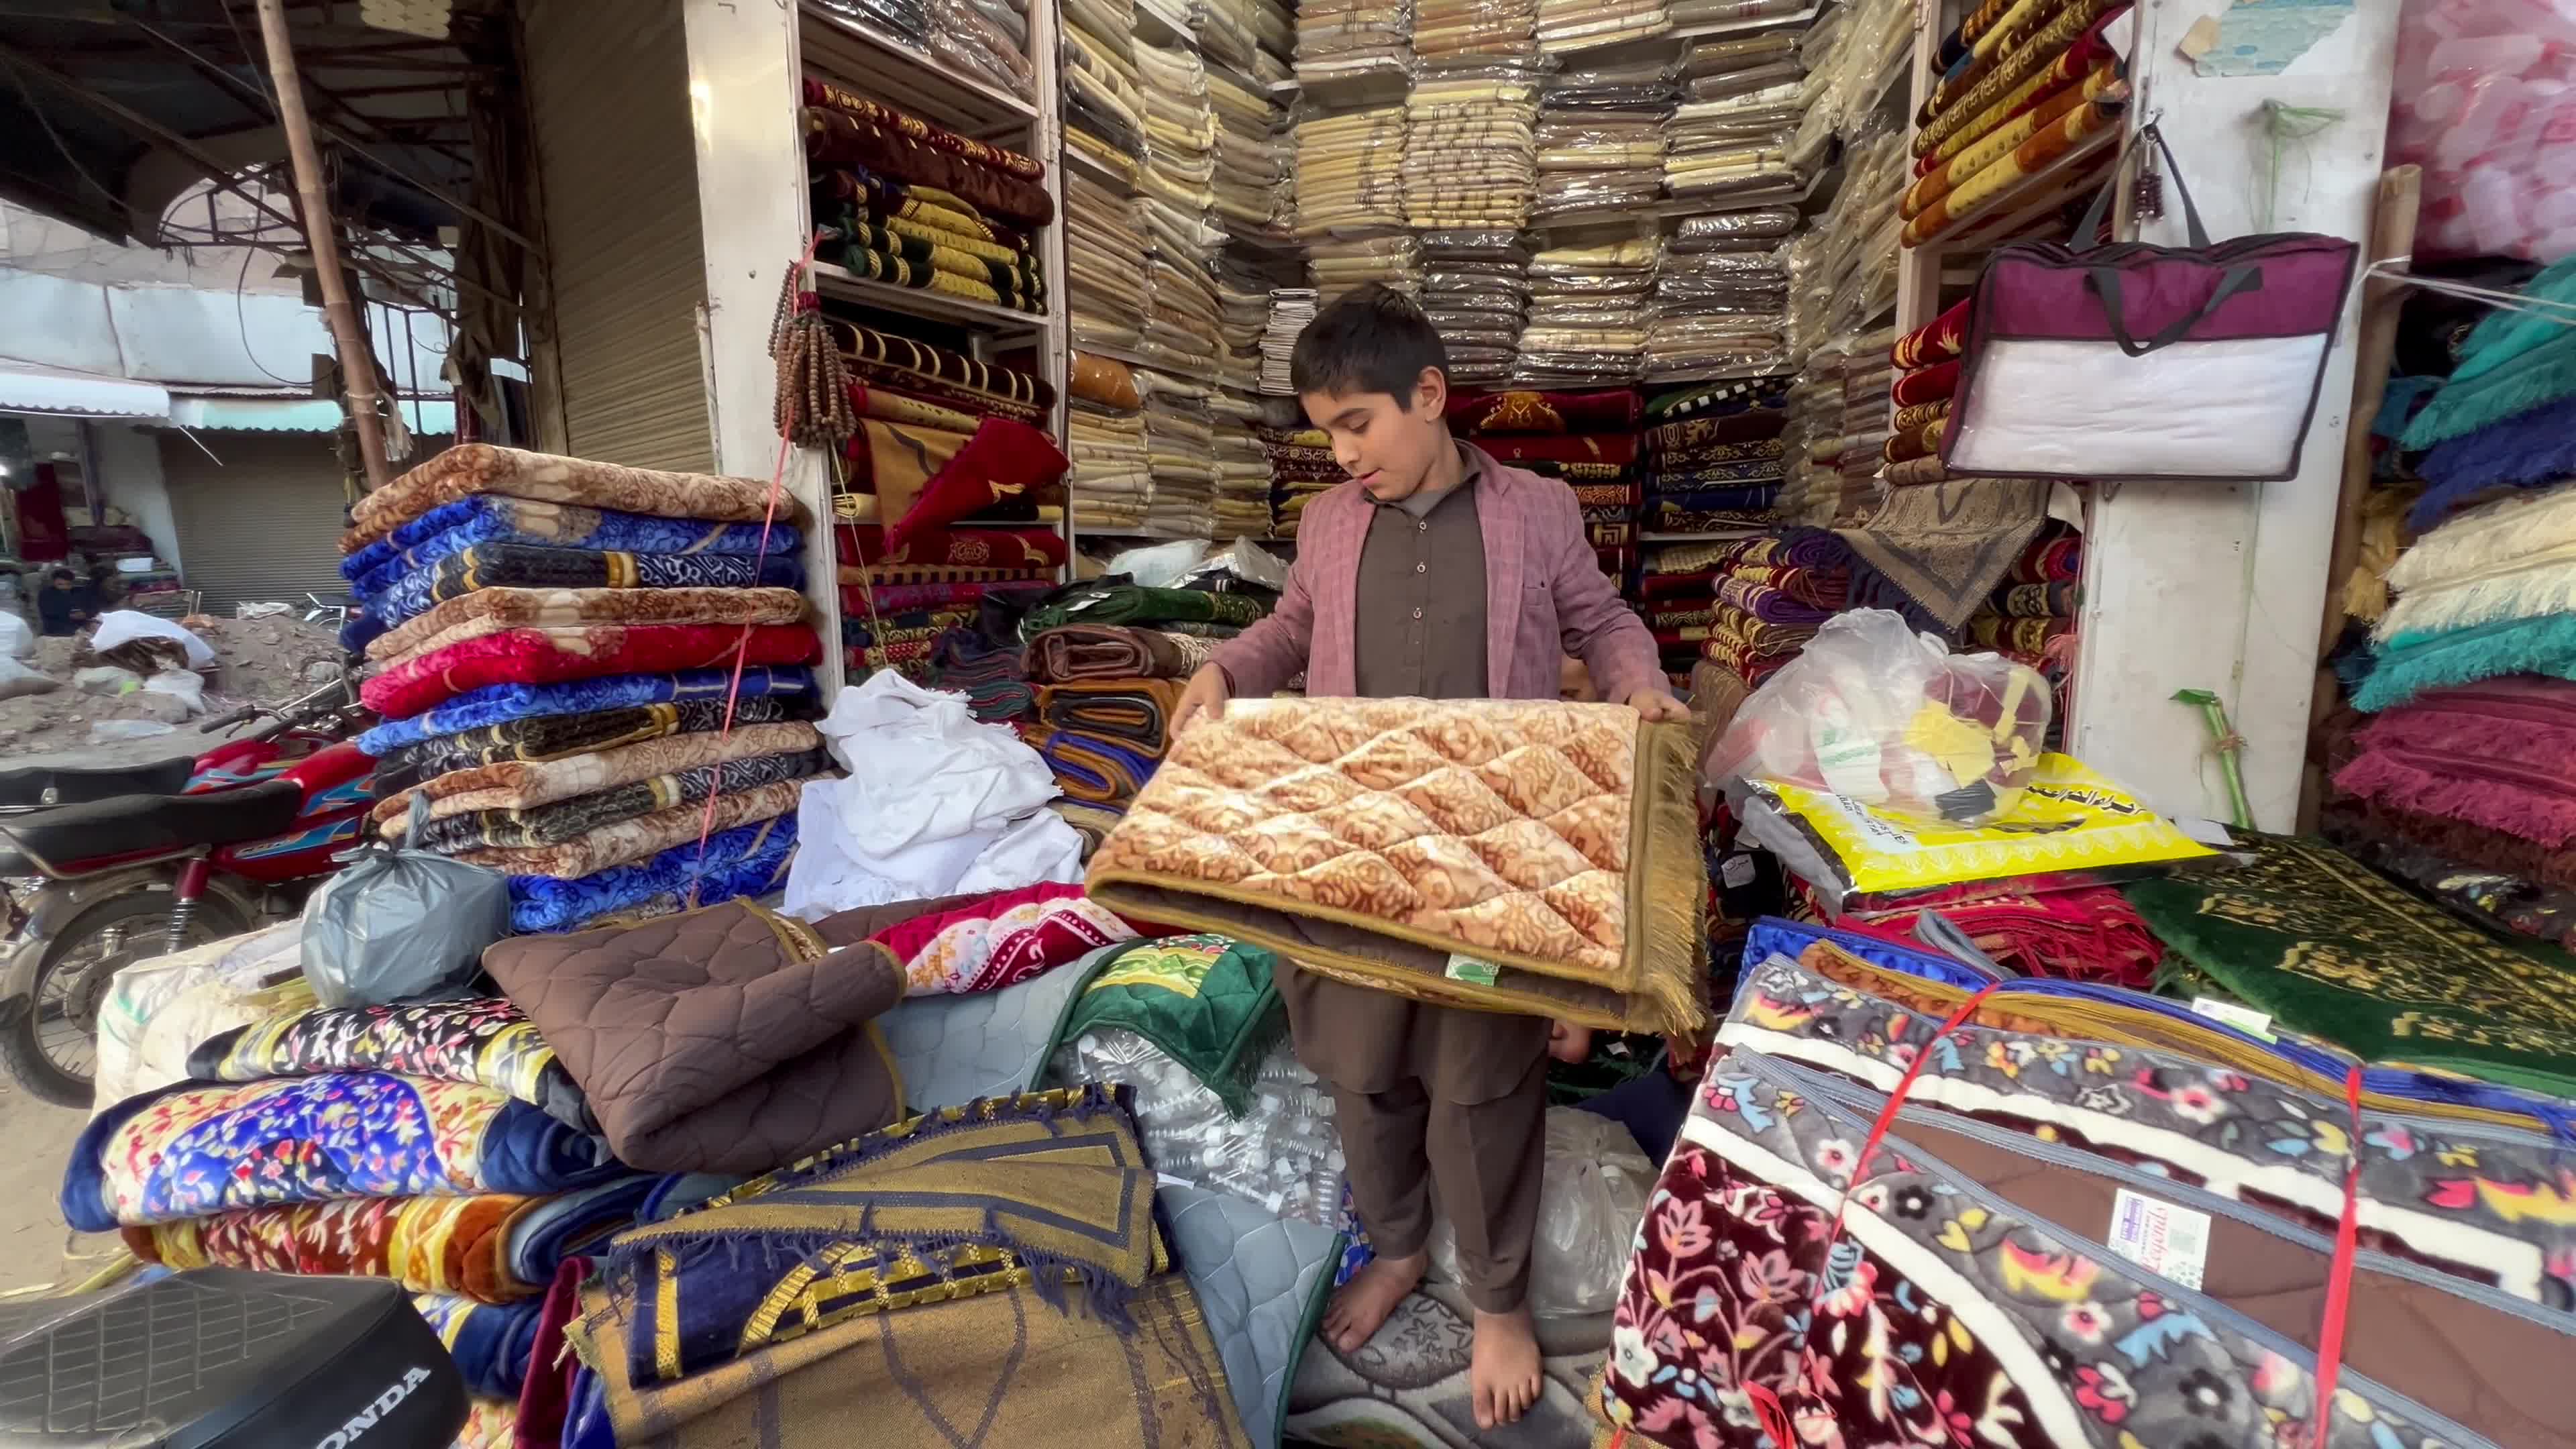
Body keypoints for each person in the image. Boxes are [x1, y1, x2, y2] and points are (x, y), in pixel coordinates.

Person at [1169, 284, 1688, 1430]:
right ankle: (1400, 1245)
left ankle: (1498, 1298)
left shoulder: (1538, 510)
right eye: (1326, 434)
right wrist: (1224, 672)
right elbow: (1292, 629)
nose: (1344, 453)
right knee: (1360, 1065)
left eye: (1359, 424)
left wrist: (1639, 687)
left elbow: (1602, 623)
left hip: (1488, 847)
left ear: (1431, 396)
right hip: (1361, 842)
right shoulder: (1326, 523)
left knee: (1481, 1074)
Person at [35, 568, 93, 637]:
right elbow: (48, 612)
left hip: (81, 627)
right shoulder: (46, 594)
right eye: (60, 584)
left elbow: (91, 607)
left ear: (72, 582)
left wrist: (86, 613)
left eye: (68, 584)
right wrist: (70, 615)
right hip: (56, 629)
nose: (64, 587)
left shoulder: (79, 591)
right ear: (54, 582)